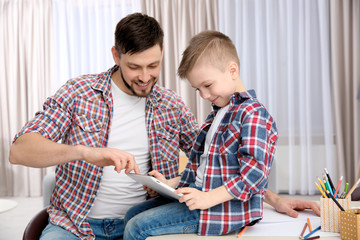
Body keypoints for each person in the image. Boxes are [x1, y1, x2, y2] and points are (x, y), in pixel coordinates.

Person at [9, 13, 319, 240]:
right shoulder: (78, 93)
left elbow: (221, 161)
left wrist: (274, 199)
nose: (145, 76)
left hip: (144, 224)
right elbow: (19, 151)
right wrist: (85, 152)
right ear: (116, 55)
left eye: (153, 65)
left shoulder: (170, 105)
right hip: (76, 225)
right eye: (134, 67)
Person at [122, 30, 310, 239]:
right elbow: (205, 169)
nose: (204, 95)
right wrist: (170, 183)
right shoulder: (219, 113)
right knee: (131, 213)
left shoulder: (254, 114)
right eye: (198, 89)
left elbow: (254, 176)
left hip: (219, 208)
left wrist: (208, 198)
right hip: (201, 194)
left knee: (136, 227)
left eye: (208, 85)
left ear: (232, 70)